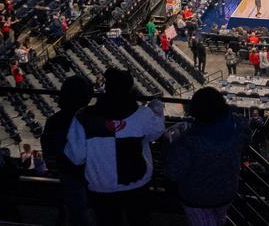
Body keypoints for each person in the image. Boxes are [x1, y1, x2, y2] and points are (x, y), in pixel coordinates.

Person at [64, 69, 166, 226]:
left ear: (106, 88)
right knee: (139, 220)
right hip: (137, 184)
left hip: (101, 187)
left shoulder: (82, 117)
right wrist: (157, 108)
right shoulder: (143, 114)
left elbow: (76, 157)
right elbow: (157, 132)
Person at [165, 87, 248, 226]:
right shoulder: (238, 126)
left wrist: (168, 143)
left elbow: (172, 172)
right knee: (220, 218)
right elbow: (246, 138)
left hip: (197, 198)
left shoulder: (188, 142)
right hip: (228, 190)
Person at [41, 75, 94, 226]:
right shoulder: (93, 120)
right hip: (89, 178)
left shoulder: (53, 121)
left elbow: (49, 155)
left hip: (66, 177)